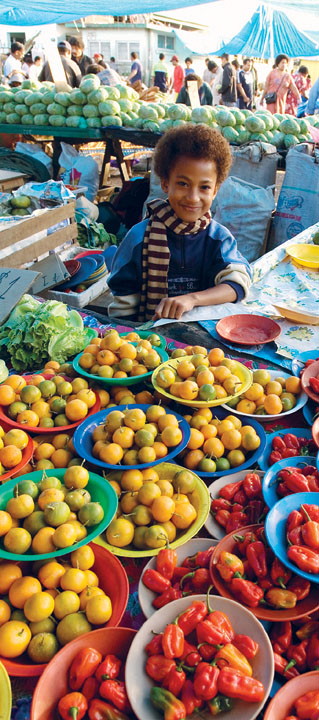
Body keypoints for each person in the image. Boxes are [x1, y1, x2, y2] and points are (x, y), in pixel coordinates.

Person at [107, 124, 251, 321]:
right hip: (147, 340)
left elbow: (237, 284)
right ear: (166, 183)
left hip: (202, 341)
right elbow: (122, 303)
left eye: (204, 187)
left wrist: (192, 299)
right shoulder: (139, 238)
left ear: (215, 190)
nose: (193, 197)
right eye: (183, 184)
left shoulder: (218, 238)